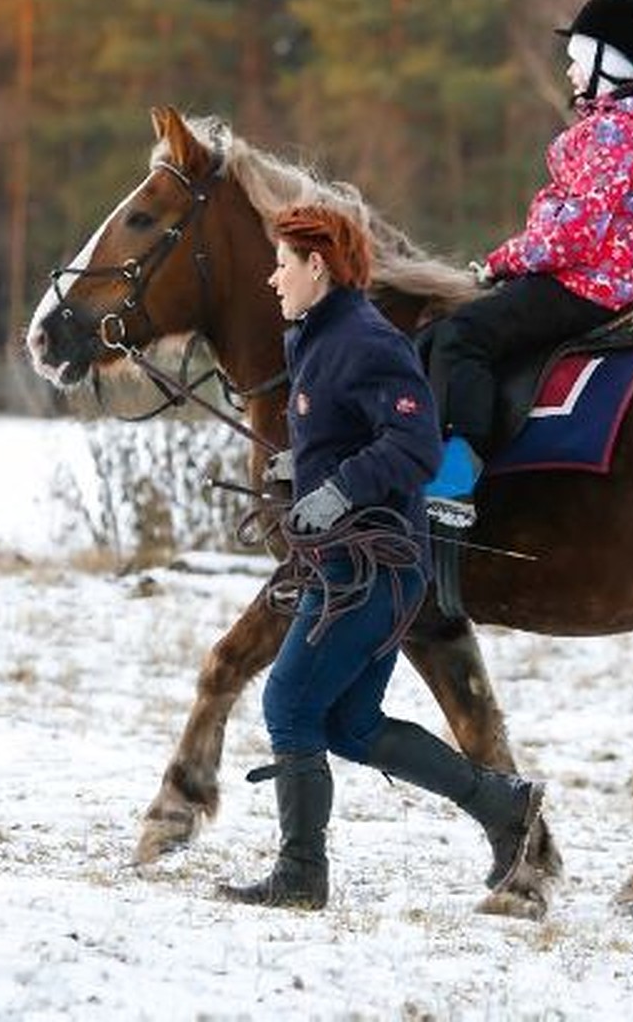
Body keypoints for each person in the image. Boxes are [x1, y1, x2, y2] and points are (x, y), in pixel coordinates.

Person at [219, 203, 545, 910]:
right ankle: (503, 805)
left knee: (288, 704)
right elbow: (347, 433)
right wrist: (300, 473)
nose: (272, 280)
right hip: (349, 566)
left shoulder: (368, 341)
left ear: (318, 267)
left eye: (282, 265)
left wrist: (336, 492)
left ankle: (302, 877)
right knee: (348, 724)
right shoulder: (316, 339)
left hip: (373, 568)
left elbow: (414, 446)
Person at [423, 0, 633, 526]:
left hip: (579, 286)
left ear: (606, 65)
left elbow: (573, 236)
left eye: (576, 59)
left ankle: (456, 474)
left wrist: (501, 261)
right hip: (595, 284)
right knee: (433, 336)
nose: (568, 70)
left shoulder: (615, 134)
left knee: (461, 336)